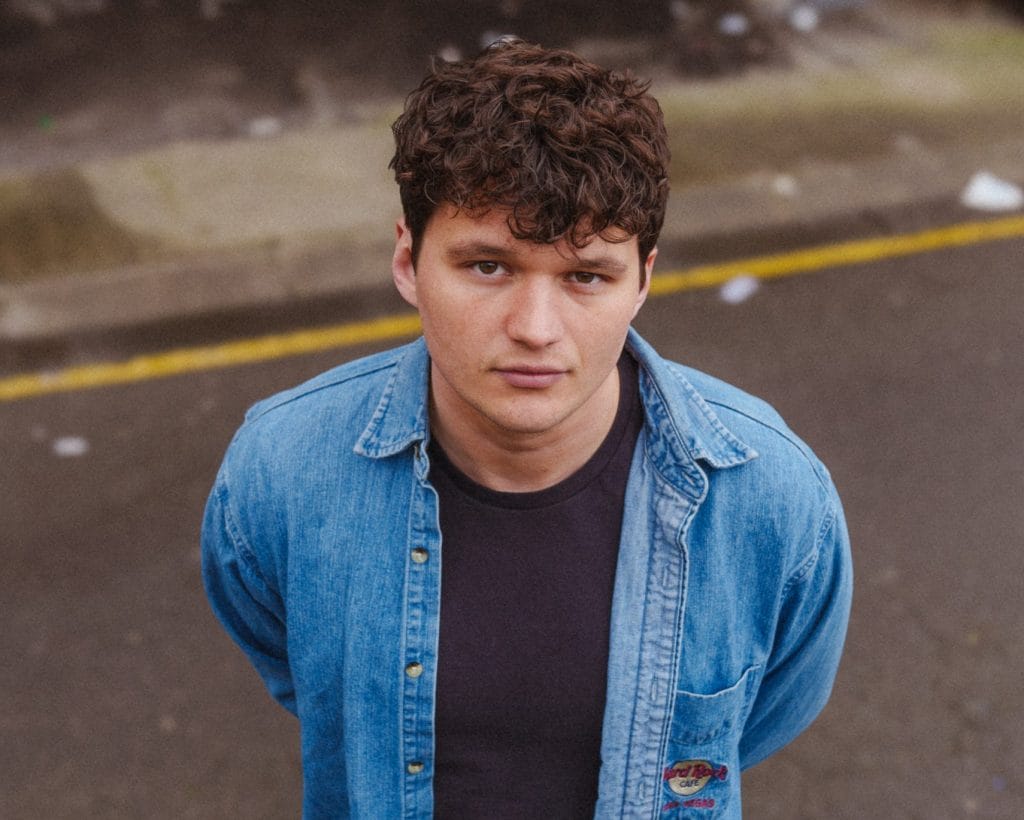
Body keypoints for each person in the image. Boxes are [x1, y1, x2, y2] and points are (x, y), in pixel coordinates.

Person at [201, 40, 852, 819]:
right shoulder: (281, 470)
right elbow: (304, 677)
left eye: (586, 276)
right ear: (408, 261)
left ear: (643, 279)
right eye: (488, 267)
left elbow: (770, 713)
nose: (535, 329)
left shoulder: (772, 497)